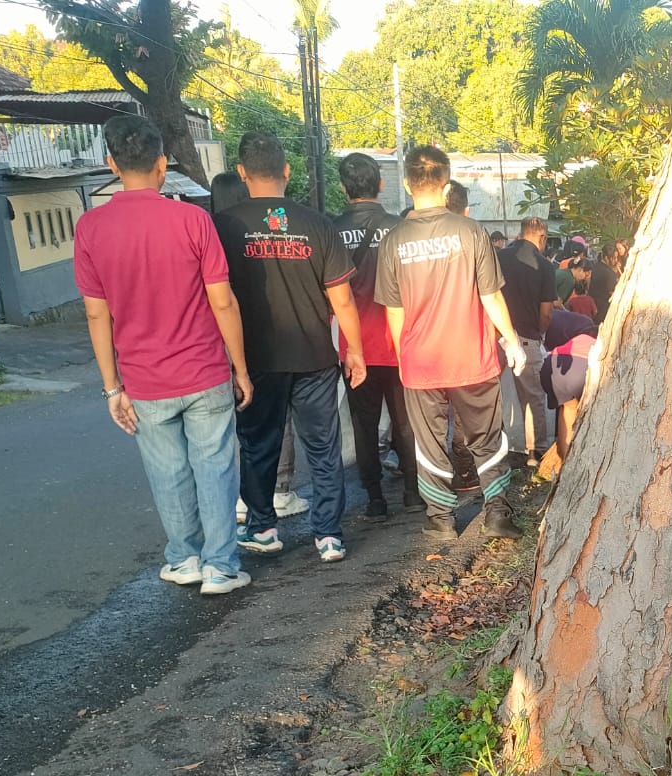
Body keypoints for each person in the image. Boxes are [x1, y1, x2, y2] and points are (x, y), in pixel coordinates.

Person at [75, 116, 253, 596]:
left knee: (167, 470)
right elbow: (223, 302)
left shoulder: (90, 228)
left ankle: (184, 558)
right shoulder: (193, 220)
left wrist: (112, 388)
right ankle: (221, 566)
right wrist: (240, 368)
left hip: (144, 380)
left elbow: (96, 314)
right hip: (205, 371)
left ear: (111, 164)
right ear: (162, 163)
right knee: (215, 466)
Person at [215, 131, 366, 564]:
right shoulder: (318, 223)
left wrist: (232, 362)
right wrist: (354, 350)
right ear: (286, 170)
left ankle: (262, 527)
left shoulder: (224, 227)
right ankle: (329, 535)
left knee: (259, 445)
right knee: (322, 447)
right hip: (315, 356)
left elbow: (218, 298)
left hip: (256, 360)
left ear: (242, 173)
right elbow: (342, 299)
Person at [373, 145, 525, 542]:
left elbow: (394, 311)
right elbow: (491, 296)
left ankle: (440, 520)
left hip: (420, 362)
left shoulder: (393, 241)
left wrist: (403, 358)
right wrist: (512, 340)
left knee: (429, 443)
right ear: (445, 186)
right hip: (472, 357)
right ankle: (497, 514)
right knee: (487, 439)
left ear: (408, 184)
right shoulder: (470, 232)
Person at [332, 151, 423, 521]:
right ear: (381, 184)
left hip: (356, 347)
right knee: (406, 421)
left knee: (364, 424)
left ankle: (375, 500)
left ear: (343, 188)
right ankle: (413, 492)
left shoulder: (332, 230)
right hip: (401, 342)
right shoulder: (400, 229)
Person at [214, 170, 307, 525]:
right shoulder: (251, 230)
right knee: (273, 420)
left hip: (217, 341)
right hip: (262, 341)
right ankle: (277, 491)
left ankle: (244, 497)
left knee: (233, 424)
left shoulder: (213, 230)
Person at [498, 215, 557, 466]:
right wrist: (540, 333)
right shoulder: (544, 266)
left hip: (496, 334)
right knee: (532, 397)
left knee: (494, 396)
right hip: (526, 337)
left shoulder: (499, 257)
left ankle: (495, 449)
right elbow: (547, 311)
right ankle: (535, 452)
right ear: (542, 237)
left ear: (521, 233)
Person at [537, 306, 596, 477]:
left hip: (551, 366)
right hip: (578, 368)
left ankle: (565, 465)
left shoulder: (579, 334)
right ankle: (581, 465)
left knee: (567, 410)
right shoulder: (603, 342)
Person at [589, 238, 627, 321]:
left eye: (616, 258)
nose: (616, 260)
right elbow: (613, 293)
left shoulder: (595, 267)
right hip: (604, 308)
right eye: (614, 258)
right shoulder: (609, 274)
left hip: (592, 304)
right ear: (606, 258)